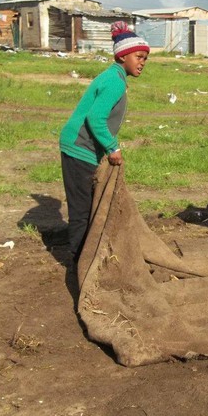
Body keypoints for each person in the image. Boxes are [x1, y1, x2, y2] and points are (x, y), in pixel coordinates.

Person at [59, 21, 150, 263]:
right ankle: (79, 263)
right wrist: (113, 147)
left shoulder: (114, 76)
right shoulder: (115, 81)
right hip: (79, 148)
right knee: (82, 210)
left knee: (88, 206)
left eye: (145, 58)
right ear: (123, 56)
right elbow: (96, 118)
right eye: (138, 56)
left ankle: (85, 256)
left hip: (81, 147)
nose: (142, 62)